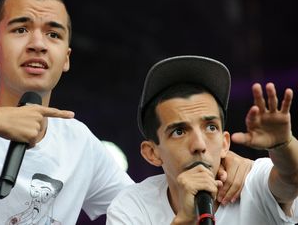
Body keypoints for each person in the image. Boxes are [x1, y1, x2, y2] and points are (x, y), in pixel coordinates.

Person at [0, 0, 250, 224]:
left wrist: (218, 163)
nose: (37, 43)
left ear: (65, 57)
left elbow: (147, 206)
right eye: (21, 29)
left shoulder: (80, 143)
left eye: (52, 33)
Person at [106, 55, 298, 224]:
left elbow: (292, 180)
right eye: (179, 132)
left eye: (211, 127)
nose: (199, 145)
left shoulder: (254, 180)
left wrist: (284, 145)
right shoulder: (133, 206)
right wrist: (185, 220)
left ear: (225, 143)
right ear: (152, 153)